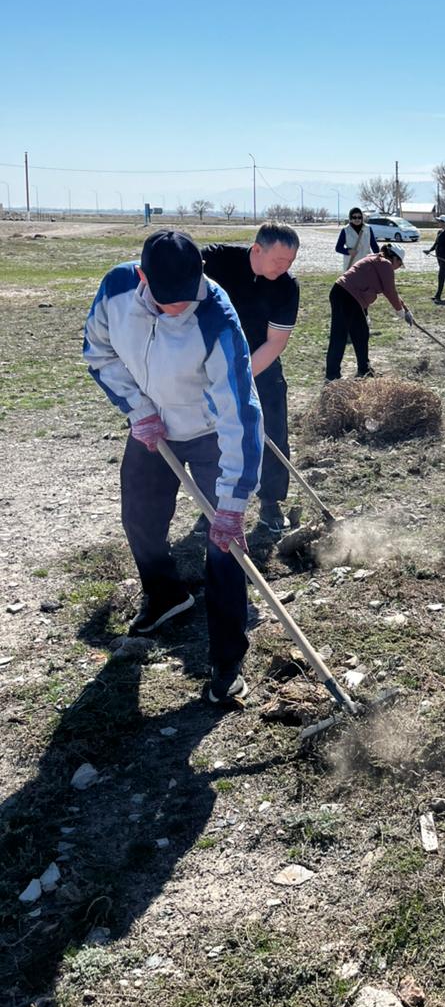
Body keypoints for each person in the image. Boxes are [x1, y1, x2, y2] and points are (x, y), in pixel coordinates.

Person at [83, 229, 264, 705]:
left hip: (208, 433)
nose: (177, 309)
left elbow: (240, 413)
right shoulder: (116, 289)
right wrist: (137, 408)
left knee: (223, 546)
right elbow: (98, 351)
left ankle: (226, 662)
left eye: (185, 297)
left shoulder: (217, 319)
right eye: (166, 301)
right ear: (142, 278)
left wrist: (232, 504)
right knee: (139, 519)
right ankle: (166, 595)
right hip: (151, 427)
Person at [202, 224, 300, 538]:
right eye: (279, 260)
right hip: (211, 363)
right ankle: (214, 506)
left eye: (290, 261)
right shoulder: (218, 261)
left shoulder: (287, 287)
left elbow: (276, 342)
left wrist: (241, 378)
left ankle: (271, 502)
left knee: (273, 431)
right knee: (215, 436)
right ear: (257, 249)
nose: (284, 267)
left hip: (261, 363)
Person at [325, 242, 413, 380]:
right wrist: (400, 312)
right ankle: (332, 375)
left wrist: (406, 310)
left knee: (361, 334)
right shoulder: (385, 264)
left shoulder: (378, 260)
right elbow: (390, 291)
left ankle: (364, 369)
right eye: (400, 264)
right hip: (346, 296)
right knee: (339, 336)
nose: (398, 267)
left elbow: (391, 290)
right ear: (395, 258)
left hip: (349, 297)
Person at [425, 215, 445, 304]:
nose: (438, 222)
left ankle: (438, 296)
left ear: (444, 223)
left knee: (441, 276)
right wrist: (429, 250)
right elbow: (436, 243)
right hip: (439, 257)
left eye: (440, 221)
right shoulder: (439, 232)